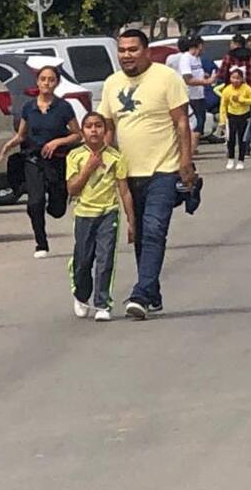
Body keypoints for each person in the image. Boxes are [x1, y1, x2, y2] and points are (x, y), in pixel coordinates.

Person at [99, 29, 195, 320]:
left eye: (133, 49)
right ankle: (152, 292)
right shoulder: (112, 84)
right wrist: (104, 163)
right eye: (122, 50)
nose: (127, 55)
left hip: (163, 170)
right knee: (139, 233)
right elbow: (107, 128)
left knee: (154, 229)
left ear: (147, 51)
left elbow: (181, 122)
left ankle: (140, 293)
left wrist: (186, 162)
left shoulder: (166, 78)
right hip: (128, 173)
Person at [0, 65, 82, 258]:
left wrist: (58, 142)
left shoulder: (63, 107)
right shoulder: (29, 107)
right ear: (37, 81)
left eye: (51, 79)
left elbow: (77, 135)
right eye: (43, 79)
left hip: (57, 161)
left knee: (57, 209)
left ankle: (55, 204)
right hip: (34, 159)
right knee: (34, 203)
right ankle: (41, 243)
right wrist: (7, 146)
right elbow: (22, 135)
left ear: (56, 83)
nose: (46, 83)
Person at [66, 112, 134, 322]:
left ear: (105, 130)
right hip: (84, 214)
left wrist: (131, 220)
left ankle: (103, 303)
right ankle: (80, 294)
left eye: (98, 126)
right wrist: (87, 169)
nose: (94, 130)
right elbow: (72, 188)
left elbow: (124, 191)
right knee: (83, 260)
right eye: (89, 126)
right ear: (83, 131)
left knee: (105, 259)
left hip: (108, 213)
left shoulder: (115, 157)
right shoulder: (75, 156)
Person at [174, 37, 213, 156]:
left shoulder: (197, 59)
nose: (203, 50)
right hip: (189, 96)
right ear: (197, 46)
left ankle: (192, 150)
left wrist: (204, 77)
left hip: (199, 95)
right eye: (202, 46)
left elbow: (196, 74)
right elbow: (187, 79)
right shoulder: (186, 58)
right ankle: (188, 152)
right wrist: (206, 82)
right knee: (196, 123)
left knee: (200, 122)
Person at [219, 68, 251, 170]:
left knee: (242, 139)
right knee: (230, 139)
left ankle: (241, 160)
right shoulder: (227, 90)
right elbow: (223, 105)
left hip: (244, 116)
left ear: (242, 79)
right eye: (233, 78)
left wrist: (241, 100)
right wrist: (222, 120)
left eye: (238, 78)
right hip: (231, 116)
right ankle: (230, 159)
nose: (235, 80)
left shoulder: (247, 88)